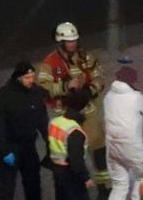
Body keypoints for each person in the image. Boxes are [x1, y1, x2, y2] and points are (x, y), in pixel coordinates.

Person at [38, 21, 109, 190]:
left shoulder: (86, 57)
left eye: (74, 40)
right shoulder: (50, 63)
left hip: (87, 108)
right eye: (68, 41)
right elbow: (42, 88)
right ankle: (75, 181)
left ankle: (103, 182)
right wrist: (64, 87)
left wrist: (90, 90)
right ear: (61, 42)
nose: (72, 44)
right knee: (71, 150)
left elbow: (99, 76)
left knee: (98, 143)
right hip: (65, 113)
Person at [0, 60, 56, 200]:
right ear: (18, 77)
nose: (30, 80)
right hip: (10, 148)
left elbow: (43, 122)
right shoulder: (4, 95)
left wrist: (50, 144)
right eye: (27, 77)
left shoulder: (36, 94)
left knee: (33, 188)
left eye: (32, 76)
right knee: (6, 191)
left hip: (28, 148)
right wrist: (4, 150)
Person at [103, 66, 143, 200]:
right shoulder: (136, 97)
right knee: (141, 178)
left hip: (112, 147)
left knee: (119, 183)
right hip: (132, 146)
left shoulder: (108, 96)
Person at [47, 89, 94, 200]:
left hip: (57, 170)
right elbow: (76, 161)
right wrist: (86, 178)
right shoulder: (75, 132)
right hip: (70, 175)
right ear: (82, 108)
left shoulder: (55, 121)